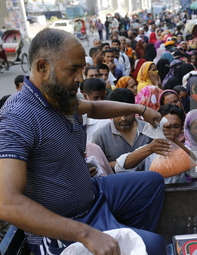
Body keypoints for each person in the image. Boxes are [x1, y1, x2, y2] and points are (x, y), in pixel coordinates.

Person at [0, 28, 166, 255]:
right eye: (73, 70)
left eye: (81, 69)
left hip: (92, 194)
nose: (80, 78)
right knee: (155, 245)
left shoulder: (58, 97)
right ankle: (124, 242)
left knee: (152, 183)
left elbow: (96, 107)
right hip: (67, 222)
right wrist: (85, 234)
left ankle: (123, 240)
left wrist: (141, 109)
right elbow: (6, 203)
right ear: (42, 67)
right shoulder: (17, 117)